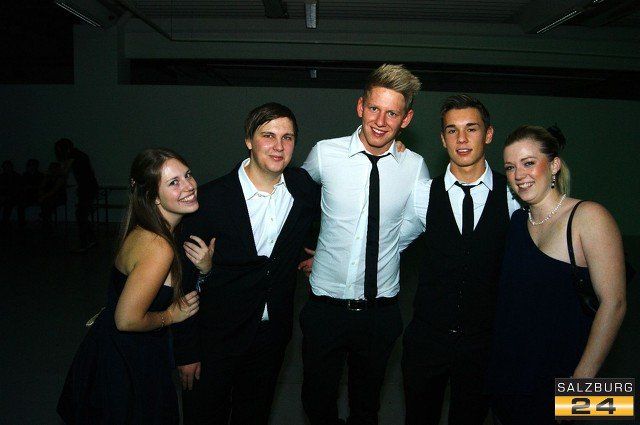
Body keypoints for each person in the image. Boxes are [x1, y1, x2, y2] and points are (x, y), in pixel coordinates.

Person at [172, 103, 320, 425]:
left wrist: (318, 254)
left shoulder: (303, 189)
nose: (279, 146)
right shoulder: (209, 200)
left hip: (271, 337)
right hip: (215, 339)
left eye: (287, 137)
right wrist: (186, 351)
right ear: (249, 140)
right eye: (268, 135)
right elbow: (183, 280)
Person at [299, 64, 429, 425]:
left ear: (406, 119)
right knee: (316, 404)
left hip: (379, 313)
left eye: (393, 113)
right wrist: (312, 249)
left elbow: (416, 222)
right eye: (374, 108)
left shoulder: (413, 166)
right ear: (360, 106)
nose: (381, 122)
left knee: (366, 409)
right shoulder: (325, 153)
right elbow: (295, 203)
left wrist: (380, 246)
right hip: (324, 309)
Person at [488, 125, 627, 424]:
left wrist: (581, 386)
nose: (519, 175)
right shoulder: (516, 222)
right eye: (510, 167)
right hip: (509, 376)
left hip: (566, 378)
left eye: (528, 163)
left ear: (554, 165)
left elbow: (614, 304)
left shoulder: (589, 217)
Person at [401, 94, 521, 425]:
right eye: (452, 130)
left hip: (484, 343)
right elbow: (391, 243)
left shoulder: (512, 195)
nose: (462, 139)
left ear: (489, 134)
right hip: (427, 340)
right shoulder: (423, 193)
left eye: (472, 128)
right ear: (443, 139)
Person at [57, 148, 200, 424]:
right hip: (126, 361)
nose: (189, 186)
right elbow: (126, 320)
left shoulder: (151, 230)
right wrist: (170, 315)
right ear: (153, 196)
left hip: (120, 352)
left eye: (188, 175)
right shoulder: (158, 246)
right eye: (174, 182)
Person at [55, 138, 99, 251]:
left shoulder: (74, 155)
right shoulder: (80, 154)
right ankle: (91, 239)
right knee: (82, 215)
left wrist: (52, 172)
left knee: (81, 215)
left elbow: (64, 171)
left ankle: (85, 243)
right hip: (88, 187)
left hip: (87, 188)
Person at [39, 161, 68, 231]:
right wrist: (45, 178)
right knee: (46, 202)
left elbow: (54, 190)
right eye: (51, 168)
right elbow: (42, 187)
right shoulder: (48, 177)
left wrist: (43, 196)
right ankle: (47, 221)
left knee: (47, 202)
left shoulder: (61, 178)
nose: (52, 170)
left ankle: (46, 221)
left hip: (59, 196)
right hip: (49, 196)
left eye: (54, 168)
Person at [18, 158, 44, 226]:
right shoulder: (25, 175)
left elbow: (42, 186)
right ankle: (21, 223)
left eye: (33, 165)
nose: (31, 167)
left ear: (36, 166)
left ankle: (44, 222)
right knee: (20, 205)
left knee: (45, 204)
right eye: (30, 165)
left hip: (37, 196)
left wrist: (32, 187)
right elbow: (22, 186)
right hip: (27, 196)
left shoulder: (40, 175)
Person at [0, 160, 23, 230]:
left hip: (14, 197)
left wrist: (8, 196)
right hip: (4, 197)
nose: (6, 168)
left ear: (11, 167)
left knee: (8, 204)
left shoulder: (17, 176)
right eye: (5, 167)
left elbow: (18, 189)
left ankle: (5, 222)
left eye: (7, 167)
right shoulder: (2, 176)